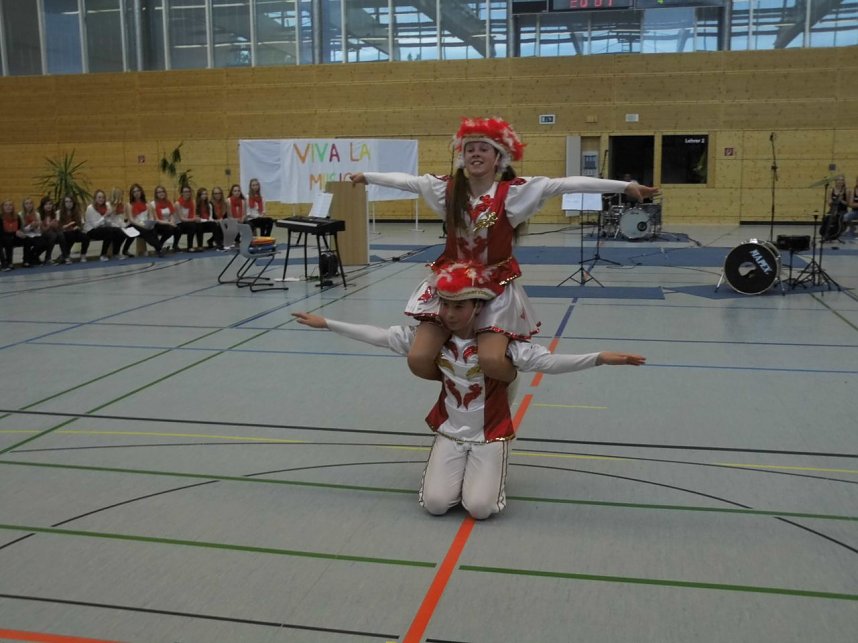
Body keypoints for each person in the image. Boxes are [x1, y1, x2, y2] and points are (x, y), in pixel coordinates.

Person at [292, 261, 645, 520]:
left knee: (479, 508)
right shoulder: (433, 340)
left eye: (458, 306)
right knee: (434, 505)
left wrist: (599, 358)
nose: (448, 313)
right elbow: (383, 336)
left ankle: (487, 477)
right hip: (450, 431)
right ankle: (457, 466)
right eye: (444, 305)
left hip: (487, 433)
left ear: (478, 307)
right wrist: (328, 323)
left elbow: (549, 363)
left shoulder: (502, 347)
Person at [349, 116, 657, 384]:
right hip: (451, 287)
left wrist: (623, 186)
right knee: (418, 360)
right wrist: (367, 177)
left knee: (493, 362)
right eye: (470, 149)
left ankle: (495, 387)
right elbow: (409, 182)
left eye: (483, 148)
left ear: (498, 158)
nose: (475, 153)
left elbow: (564, 184)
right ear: (462, 158)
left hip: (494, 286)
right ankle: (458, 385)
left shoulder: (513, 193)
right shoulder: (447, 190)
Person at [83, 189, 125, 261]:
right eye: (99, 197)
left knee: (120, 232)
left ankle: (116, 253)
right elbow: (95, 225)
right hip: (91, 230)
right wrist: (105, 215)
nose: (101, 199)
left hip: (102, 228)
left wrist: (119, 227)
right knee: (109, 232)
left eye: (103, 197)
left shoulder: (106, 207)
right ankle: (103, 254)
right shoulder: (90, 208)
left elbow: (108, 222)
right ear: (95, 198)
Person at [122, 184, 163, 257]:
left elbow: (150, 217)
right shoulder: (129, 205)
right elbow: (131, 220)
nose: (136, 193)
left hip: (145, 224)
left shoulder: (147, 204)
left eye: (138, 191)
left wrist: (149, 224)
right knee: (145, 231)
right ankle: (159, 248)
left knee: (153, 229)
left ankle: (158, 249)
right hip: (133, 225)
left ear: (141, 192)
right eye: (134, 192)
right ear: (132, 194)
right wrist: (142, 225)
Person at [58, 195, 89, 262]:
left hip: (75, 231)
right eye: (67, 202)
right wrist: (66, 226)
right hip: (65, 232)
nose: (69, 204)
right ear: (64, 203)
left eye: (70, 202)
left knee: (85, 237)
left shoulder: (77, 212)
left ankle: (83, 254)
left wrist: (78, 227)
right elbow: (58, 226)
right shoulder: (59, 212)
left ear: (73, 203)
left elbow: (81, 224)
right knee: (70, 235)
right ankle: (66, 255)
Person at [150, 185, 179, 252]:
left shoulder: (168, 202)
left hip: (167, 223)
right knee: (169, 227)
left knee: (177, 228)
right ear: (156, 194)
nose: (161, 193)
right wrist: (169, 223)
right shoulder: (153, 204)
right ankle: (159, 246)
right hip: (158, 224)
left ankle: (167, 245)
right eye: (159, 192)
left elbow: (171, 215)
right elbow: (156, 219)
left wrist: (172, 222)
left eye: (163, 191)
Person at [820, 174, 848, 241]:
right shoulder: (831, 190)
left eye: (842, 180)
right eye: (838, 180)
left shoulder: (846, 190)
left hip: (842, 210)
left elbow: (848, 203)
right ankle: (825, 233)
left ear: (844, 181)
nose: (840, 181)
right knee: (826, 217)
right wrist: (832, 202)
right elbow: (829, 201)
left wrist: (840, 200)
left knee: (839, 218)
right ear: (835, 181)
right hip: (832, 209)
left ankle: (836, 233)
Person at [174, 184, 201, 252]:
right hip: (179, 223)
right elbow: (181, 219)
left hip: (189, 221)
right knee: (191, 225)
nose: (187, 193)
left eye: (188, 191)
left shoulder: (193, 202)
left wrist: (196, 218)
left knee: (198, 225)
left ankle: (200, 245)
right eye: (185, 192)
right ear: (182, 193)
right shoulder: (178, 203)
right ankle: (189, 246)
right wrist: (193, 219)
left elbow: (194, 215)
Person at [37, 196, 63, 264]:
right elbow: (42, 230)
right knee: (53, 235)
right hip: (41, 234)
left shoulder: (55, 214)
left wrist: (56, 226)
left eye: (50, 204)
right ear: (43, 206)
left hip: (51, 234)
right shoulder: (39, 214)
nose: (48, 206)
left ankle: (65, 255)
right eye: (46, 204)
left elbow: (57, 228)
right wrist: (50, 225)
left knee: (61, 234)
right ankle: (48, 258)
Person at [210, 186, 229, 250]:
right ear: (213, 195)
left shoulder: (225, 203)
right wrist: (217, 220)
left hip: (222, 221)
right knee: (217, 225)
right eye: (215, 193)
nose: (218, 195)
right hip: (213, 221)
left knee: (226, 223)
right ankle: (219, 243)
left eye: (219, 193)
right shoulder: (210, 204)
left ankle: (212, 240)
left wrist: (223, 220)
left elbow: (226, 216)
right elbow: (210, 216)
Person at [843, 174, 858, 238]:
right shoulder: (853, 190)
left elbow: (853, 204)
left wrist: (855, 204)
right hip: (855, 212)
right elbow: (850, 204)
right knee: (845, 216)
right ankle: (852, 228)